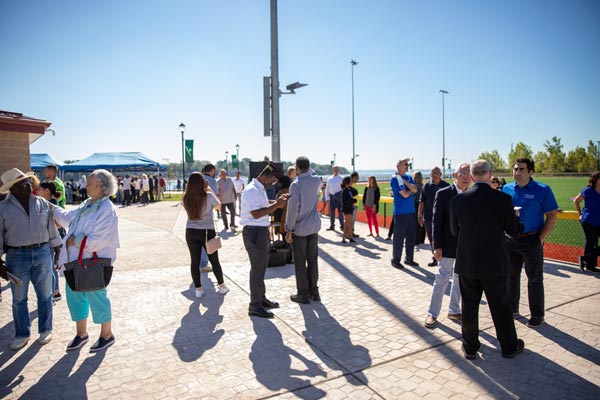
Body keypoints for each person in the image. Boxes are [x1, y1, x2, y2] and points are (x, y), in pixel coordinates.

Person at [450, 160, 525, 360]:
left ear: (472, 176)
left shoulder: (458, 201)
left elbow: (454, 230)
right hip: (495, 263)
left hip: (468, 262)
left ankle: (470, 346)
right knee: (501, 305)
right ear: (490, 174)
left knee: (469, 306)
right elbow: (514, 231)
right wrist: (516, 217)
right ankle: (508, 346)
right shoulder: (502, 199)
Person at [52, 169, 119, 352]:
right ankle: (81, 334)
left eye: (89, 183)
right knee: (75, 296)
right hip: (74, 262)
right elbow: (67, 218)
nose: (85, 186)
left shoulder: (107, 209)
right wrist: (51, 207)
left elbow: (99, 240)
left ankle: (107, 334)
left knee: (97, 298)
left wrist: (76, 240)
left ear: (100, 186)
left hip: (93, 263)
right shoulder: (87, 204)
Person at [0, 168, 62, 350]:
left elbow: (51, 229)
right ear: (12, 189)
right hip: (16, 256)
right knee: (19, 298)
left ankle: (45, 330)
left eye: (28, 181)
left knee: (45, 295)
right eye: (21, 183)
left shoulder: (42, 203)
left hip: (42, 253)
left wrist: (57, 248)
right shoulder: (3, 208)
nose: (28, 184)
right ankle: (22, 334)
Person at [503, 158, 558, 328]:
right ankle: (512, 309)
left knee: (534, 279)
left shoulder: (542, 190)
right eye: (515, 169)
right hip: (510, 240)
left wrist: (540, 238)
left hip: (532, 239)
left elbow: (552, 215)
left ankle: (537, 315)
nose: (517, 172)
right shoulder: (506, 189)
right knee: (511, 277)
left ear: (530, 172)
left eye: (521, 169)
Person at [424, 163, 471, 329]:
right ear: (455, 175)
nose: (466, 177)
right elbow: (436, 222)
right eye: (463, 173)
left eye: (469, 173)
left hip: (465, 246)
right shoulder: (443, 194)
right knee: (441, 279)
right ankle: (432, 313)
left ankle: (454, 310)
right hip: (447, 246)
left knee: (460, 279)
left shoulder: (472, 194)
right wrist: (436, 246)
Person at [240, 162, 288, 318]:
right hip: (254, 232)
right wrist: (277, 205)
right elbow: (256, 214)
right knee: (257, 270)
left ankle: (261, 299)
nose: (275, 182)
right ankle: (254, 305)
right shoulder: (252, 190)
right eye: (274, 178)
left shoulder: (259, 189)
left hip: (260, 231)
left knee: (261, 269)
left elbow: (264, 205)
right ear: (265, 175)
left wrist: (277, 202)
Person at [181, 172, 230, 299]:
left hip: (191, 230)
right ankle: (222, 286)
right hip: (207, 231)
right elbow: (218, 206)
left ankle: (198, 289)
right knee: (214, 260)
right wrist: (209, 190)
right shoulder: (208, 196)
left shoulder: (185, 197)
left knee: (194, 261)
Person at [285, 156, 322, 304]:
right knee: (313, 260)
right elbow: (311, 173)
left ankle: (303, 293)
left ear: (297, 168)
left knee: (300, 262)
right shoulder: (316, 181)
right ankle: (314, 291)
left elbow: (292, 210)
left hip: (300, 229)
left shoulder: (295, 185)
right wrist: (305, 169)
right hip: (313, 226)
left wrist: (289, 230)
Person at [38, 180, 65, 303]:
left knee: (51, 268)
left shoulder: (51, 204)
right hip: (52, 239)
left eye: (39, 189)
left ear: (46, 191)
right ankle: (55, 291)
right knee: (51, 267)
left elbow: (58, 225)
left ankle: (55, 292)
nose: (37, 192)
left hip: (52, 240)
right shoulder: (49, 203)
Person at [390, 158, 418, 269]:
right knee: (399, 238)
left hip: (411, 212)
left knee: (411, 237)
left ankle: (409, 258)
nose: (407, 166)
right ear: (398, 166)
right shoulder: (395, 179)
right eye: (405, 164)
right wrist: (411, 189)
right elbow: (405, 194)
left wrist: (407, 183)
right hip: (401, 213)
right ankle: (395, 260)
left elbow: (415, 189)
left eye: (407, 164)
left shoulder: (408, 177)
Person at [418, 167, 449, 267]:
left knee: (444, 238)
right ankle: (435, 258)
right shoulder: (426, 186)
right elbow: (422, 201)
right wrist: (419, 215)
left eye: (436, 172)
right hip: (429, 218)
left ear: (440, 174)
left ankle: (445, 259)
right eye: (432, 173)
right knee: (432, 239)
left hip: (444, 218)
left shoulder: (446, 186)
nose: (434, 174)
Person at [573, 171, 600, 273]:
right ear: (595, 180)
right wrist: (580, 214)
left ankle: (585, 259)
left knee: (591, 243)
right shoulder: (588, 190)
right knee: (590, 242)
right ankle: (590, 266)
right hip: (588, 221)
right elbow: (576, 201)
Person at [325, 165, 344, 231]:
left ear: (338, 169)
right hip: (331, 197)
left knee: (340, 212)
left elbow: (344, 189)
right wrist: (327, 198)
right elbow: (327, 189)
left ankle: (342, 226)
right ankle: (332, 226)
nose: (336, 170)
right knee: (332, 213)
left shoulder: (342, 178)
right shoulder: (329, 179)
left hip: (339, 198)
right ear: (332, 170)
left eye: (337, 169)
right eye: (334, 169)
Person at [341, 176, 356, 243]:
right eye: (350, 181)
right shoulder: (345, 191)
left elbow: (355, 192)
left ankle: (350, 237)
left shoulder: (349, 189)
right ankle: (344, 237)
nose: (351, 182)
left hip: (349, 208)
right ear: (347, 182)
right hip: (347, 208)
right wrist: (353, 201)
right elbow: (345, 201)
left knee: (349, 223)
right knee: (347, 223)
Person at [413, 171, 426, 245]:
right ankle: (422, 239)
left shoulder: (413, 187)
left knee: (416, 223)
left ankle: (416, 240)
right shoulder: (423, 186)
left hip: (415, 204)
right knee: (422, 223)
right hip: (422, 204)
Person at [350, 171, 360, 238]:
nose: (358, 179)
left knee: (352, 220)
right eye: (357, 178)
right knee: (351, 220)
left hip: (355, 204)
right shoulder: (350, 184)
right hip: (352, 205)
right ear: (353, 177)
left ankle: (351, 232)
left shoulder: (353, 184)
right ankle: (350, 233)